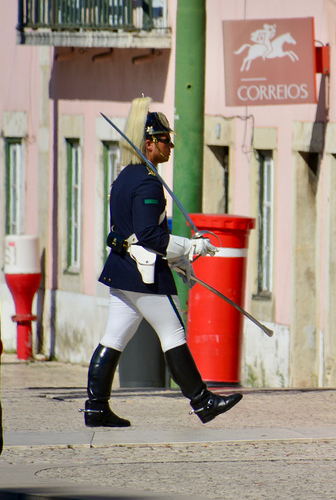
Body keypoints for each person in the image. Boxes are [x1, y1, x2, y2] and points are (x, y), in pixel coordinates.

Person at [83, 97, 242, 428]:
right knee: (173, 332)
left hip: (123, 270)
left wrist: (180, 257)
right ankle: (203, 401)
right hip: (141, 274)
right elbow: (148, 235)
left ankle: (96, 407)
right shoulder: (147, 181)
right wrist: (190, 247)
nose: (170, 145)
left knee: (114, 337)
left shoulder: (125, 176)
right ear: (149, 143)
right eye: (165, 139)